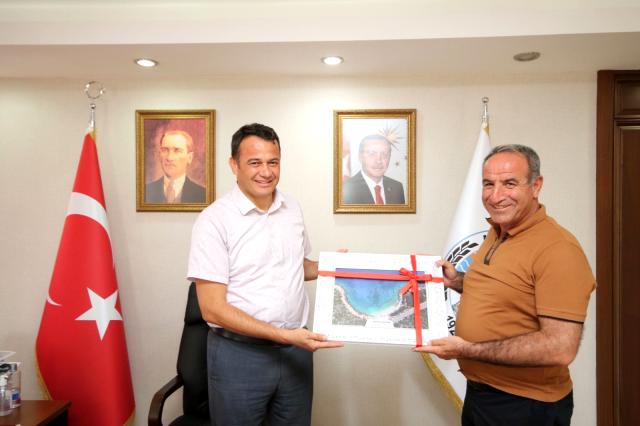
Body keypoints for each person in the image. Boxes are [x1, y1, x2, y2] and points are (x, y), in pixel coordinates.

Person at [416, 144, 595, 426]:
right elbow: (507, 290)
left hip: (524, 406)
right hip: (481, 395)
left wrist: (466, 350)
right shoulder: (499, 230)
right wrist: (457, 281)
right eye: (488, 184)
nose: (496, 196)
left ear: (536, 185)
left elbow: (560, 347)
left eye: (509, 183)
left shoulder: (558, 249)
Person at [187, 123, 343, 426]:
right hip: (239, 356)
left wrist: (335, 267)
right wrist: (284, 335)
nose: (266, 172)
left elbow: (298, 265)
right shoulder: (214, 221)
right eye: (255, 163)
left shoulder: (291, 208)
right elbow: (212, 308)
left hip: (296, 353)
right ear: (234, 165)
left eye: (273, 162)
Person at [145, 130, 206, 203]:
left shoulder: (203, 195)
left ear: (189, 157)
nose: (169, 158)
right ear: (159, 154)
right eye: (165, 150)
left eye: (177, 151)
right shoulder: (145, 191)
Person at [342, 134, 405, 204]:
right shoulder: (344, 189)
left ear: (390, 157)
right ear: (360, 157)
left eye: (384, 154)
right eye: (372, 154)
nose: (379, 160)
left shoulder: (397, 187)